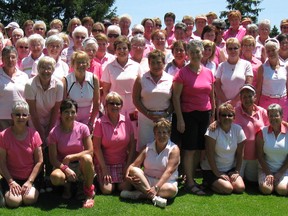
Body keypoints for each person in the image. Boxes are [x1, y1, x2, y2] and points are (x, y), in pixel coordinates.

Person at [172, 40, 215, 195]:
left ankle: (190, 178)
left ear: (202, 52)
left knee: (198, 148)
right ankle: (190, 182)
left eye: (198, 52)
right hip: (188, 115)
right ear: (188, 54)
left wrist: (213, 115)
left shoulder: (208, 72)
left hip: (205, 114)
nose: (196, 55)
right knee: (189, 149)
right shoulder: (182, 73)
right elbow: (176, 97)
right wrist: (181, 119)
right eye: (192, 52)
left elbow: (212, 96)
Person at [120, 119, 180, 208]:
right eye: (158, 132)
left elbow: (169, 171)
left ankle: (139, 194)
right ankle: (154, 198)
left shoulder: (174, 149)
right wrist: (127, 176)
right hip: (147, 180)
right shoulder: (147, 148)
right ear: (154, 134)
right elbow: (133, 165)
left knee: (171, 190)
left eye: (164, 132)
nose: (161, 135)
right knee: (134, 170)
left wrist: (156, 187)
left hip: (165, 183)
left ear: (169, 133)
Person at [48, 99, 95, 208]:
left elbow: (90, 151)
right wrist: (66, 168)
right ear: (60, 113)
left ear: (76, 114)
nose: (70, 115)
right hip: (63, 167)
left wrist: (71, 157)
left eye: (73, 112)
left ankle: (88, 193)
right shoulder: (54, 133)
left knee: (87, 158)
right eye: (66, 112)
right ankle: (68, 187)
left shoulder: (83, 128)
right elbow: (53, 159)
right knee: (55, 177)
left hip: (80, 165)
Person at [0, 100, 43, 208]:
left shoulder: (34, 134)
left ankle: (35, 188)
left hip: (30, 177)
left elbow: (39, 161)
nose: (21, 117)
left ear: (28, 117)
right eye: (17, 114)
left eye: (24, 115)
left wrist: (29, 181)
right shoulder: (3, 135)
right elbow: (2, 162)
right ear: (12, 116)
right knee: (14, 202)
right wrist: (10, 182)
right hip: (12, 177)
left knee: (29, 199)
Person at [93, 92, 135, 194]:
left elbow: (132, 146)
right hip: (105, 164)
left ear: (121, 106)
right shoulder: (99, 122)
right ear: (106, 105)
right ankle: (97, 177)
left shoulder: (127, 122)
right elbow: (97, 148)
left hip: (122, 163)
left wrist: (128, 166)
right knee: (107, 190)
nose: (115, 106)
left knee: (124, 187)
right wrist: (104, 169)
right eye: (111, 103)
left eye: (117, 103)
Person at [133, 50, 173, 151]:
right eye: (153, 63)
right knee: (144, 148)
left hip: (165, 119)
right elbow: (136, 100)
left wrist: (166, 114)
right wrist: (147, 114)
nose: (156, 66)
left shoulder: (171, 79)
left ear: (164, 63)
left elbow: (174, 100)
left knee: (164, 147)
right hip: (146, 119)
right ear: (149, 64)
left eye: (159, 62)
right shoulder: (141, 79)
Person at [201, 103, 246, 194]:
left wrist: (236, 171)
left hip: (230, 169)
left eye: (230, 115)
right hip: (211, 170)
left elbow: (240, 154)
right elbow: (210, 155)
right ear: (219, 117)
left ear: (234, 117)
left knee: (240, 188)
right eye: (223, 115)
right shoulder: (212, 130)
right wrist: (217, 173)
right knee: (228, 189)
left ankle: (224, 182)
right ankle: (208, 182)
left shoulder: (238, 130)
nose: (227, 117)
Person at [102, 36, 142, 133]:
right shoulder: (109, 67)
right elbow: (106, 90)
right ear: (115, 50)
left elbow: (141, 89)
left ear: (129, 50)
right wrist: (108, 107)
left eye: (124, 48)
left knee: (134, 133)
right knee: (117, 133)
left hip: (133, 105)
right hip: (115, 106)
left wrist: (138, 107)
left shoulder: (136, 66)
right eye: (119, 48)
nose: (122, 51)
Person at [24, 56, 63, 145]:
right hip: (34, 120)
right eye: (42, 67)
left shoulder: (59, 85)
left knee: (52, 144)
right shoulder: (29, 85)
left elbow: (56, 110)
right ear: (38, 69)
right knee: (37, 144)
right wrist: (41, 132)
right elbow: (32, 112)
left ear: (53, 70)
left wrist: (49, 131)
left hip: (52, 120)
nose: (45, 71)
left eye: (48, 68)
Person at [234, 84, 269, 182]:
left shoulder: (262, 112)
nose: (247, 99)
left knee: (252, 181)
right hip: (240, 157)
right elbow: (224, 120)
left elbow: (272, 126)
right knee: (237, 183)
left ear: (255, 97)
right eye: (244, 97)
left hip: (257, 157)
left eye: (250, 96)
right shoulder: (235, 111)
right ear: (240, 99)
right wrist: (215, 123)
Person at [256, 103, 288, 196]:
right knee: (267, 189)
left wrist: (280, 173)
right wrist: (269, 173)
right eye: (271, 116)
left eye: (276, 115)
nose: (273, 118)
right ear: (268, 117)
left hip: (284, 170)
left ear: (282, 116)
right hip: (265, 169)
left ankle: (279, 184)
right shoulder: (262, 132)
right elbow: (260, 156)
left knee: (282, 190)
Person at [63, 51, 100, 130]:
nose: (81, 65)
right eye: (78, 62)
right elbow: (63, 104)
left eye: (83, 62)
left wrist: (91, 122)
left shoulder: (94, 79)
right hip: (71, 118)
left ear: (87, 64)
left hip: (90, 118)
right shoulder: (66, 80)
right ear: (73, 64)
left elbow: (96, 103)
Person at [256, 38, 288, 121]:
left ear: (278, 50)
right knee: (267, 128)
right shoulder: (262, 68)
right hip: (266, 101)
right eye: (268, 51)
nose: (271, 53)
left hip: (283, 102)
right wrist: (255, 105)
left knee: (283, 127)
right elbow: (258, 89)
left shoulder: (285, 67)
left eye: (273, 50)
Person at [215, 37, 253, 106]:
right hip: (223, 105)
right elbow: (217, 86)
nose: (233, 50)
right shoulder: (221, 66)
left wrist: (234, 101)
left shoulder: (247, 64)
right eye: (230, 48)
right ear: (226, 50)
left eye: (235, 48)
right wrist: (225, 102)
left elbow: (247, 85)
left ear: (240, 49)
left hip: (241, 104)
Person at [0, 46, 29, 131]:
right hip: (2, 118)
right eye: (7, 57)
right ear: (2, 59)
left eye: (13, 57)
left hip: (21, 117)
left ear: (17, 58)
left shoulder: (24, 76)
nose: (10, 60)